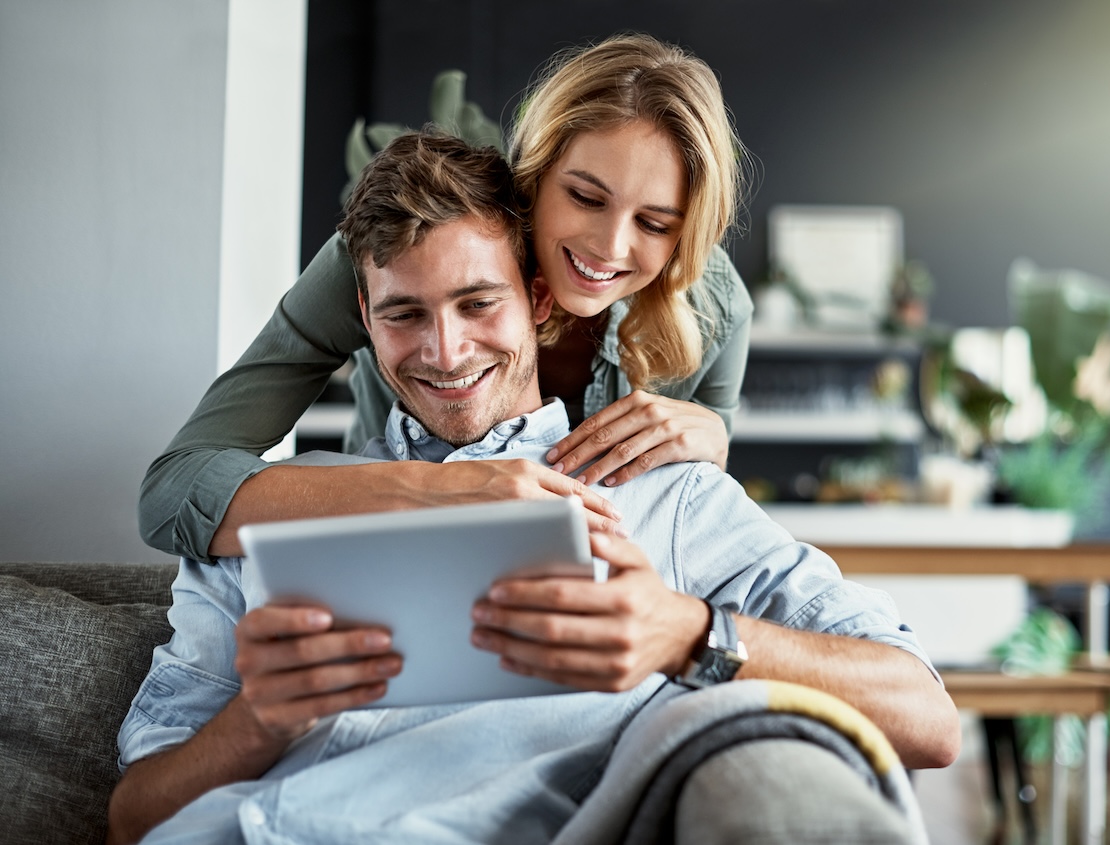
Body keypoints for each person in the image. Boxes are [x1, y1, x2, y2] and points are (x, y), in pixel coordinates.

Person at [108, 132, 959, 845]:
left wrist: (689, 632)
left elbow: (929, 717)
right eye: (404, 314)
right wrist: (259, 720)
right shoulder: (266, 515)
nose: (443, 350)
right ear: (362, 322)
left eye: (479, 302)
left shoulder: (664, 499)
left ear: (539, 301)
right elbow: (130, 815)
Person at [138, 33, 757, 564]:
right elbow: (173, 492)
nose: (609, 247)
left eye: (654, 223)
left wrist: (714, 442)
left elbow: (696, 524)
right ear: (537, 170)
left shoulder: (717, 309)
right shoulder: (395, 255)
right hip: (388, 548)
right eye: (586, 198)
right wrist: (438, 493)